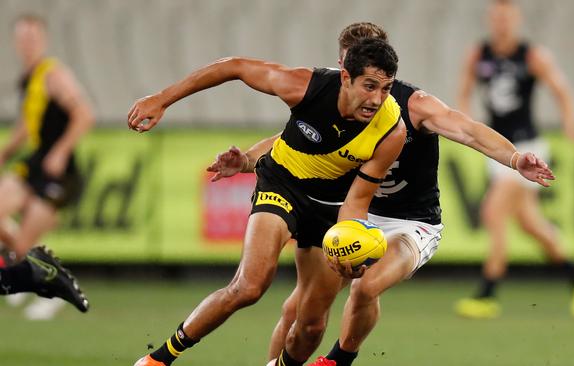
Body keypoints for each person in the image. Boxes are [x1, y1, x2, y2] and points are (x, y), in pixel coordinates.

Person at [208, 22, 555, 366]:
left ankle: (336, 361)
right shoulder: (336, 92)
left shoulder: (412, 104)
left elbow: (467, 130)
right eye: (346, 65)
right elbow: (295, 140)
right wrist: (249, 159)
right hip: (358, 213)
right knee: (295, 308)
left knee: (366, 285)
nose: (353, 77)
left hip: (411, 224)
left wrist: (513, 158)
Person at [129, 38, 406, 366]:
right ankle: (160, 358)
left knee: (312, 324)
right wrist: (162, 99)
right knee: (249, 286)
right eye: (369, 86)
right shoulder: (306, 86)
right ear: (346, 77)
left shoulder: (393, 130)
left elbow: (358, 198)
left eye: (386, 89)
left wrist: (349, 241)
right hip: (282, 185)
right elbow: (234, 66)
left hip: (330, 207)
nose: (376, 99)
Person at [454, 0, 574, 320]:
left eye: (507, 18)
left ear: (516, 20)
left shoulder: (532, 55)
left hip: (528, 150)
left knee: (493, 213)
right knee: (530, 223)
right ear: (491, 20)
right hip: (499, 149)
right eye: (497, 17)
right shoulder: (479, 54)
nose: (502, 24)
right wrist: (465, 125)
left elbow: (561, 90)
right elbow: (464, 91)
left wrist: (570, 124)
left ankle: (488, 292)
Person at [0, 14, 93, 314]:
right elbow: (27, 126)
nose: (27, 44)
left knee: (23, 245)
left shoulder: (53, 74)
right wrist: (5, 152)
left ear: (43, 40)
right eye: (23, 38)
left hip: (58, 171)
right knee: (19, 247)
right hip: (36, 161)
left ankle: (51, 288)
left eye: (33, 37)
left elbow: (84, 115)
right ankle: (43, 271)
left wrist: (61, 151)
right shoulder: (30, 78)